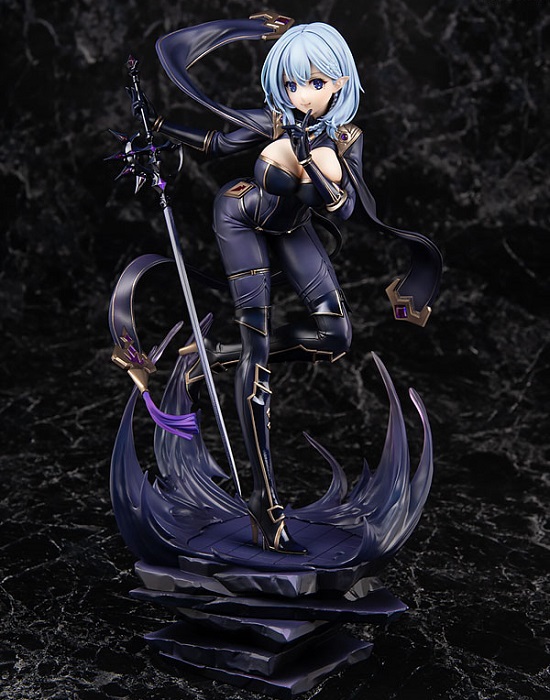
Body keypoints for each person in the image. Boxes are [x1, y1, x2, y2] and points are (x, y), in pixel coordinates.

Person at [133, 13, 442, 554]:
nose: (301, 94)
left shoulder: (345, 136)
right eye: (292, 82)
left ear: (339, 82)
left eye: (314, 82)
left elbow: (343, 208)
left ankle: (213, 354)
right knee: (258, 351)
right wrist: (158, 128)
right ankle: (265, 502)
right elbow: (215, 142)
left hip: (292, 227)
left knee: (336, 335)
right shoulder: (276, 121)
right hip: (241, 219)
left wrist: (311, 158)